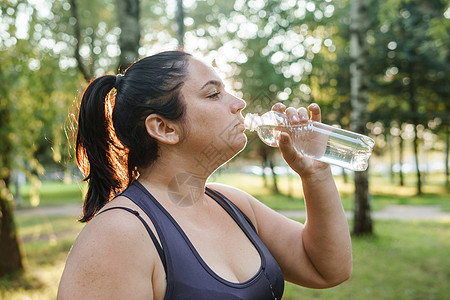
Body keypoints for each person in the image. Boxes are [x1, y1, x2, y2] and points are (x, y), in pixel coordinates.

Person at [57, 51, 352, 300]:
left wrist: (316, 176)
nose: (239, 103)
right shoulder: (117, 235)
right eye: (213, 94)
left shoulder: (232, 204)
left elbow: (327, 268)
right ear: (164, 128)